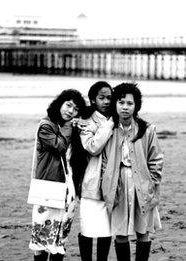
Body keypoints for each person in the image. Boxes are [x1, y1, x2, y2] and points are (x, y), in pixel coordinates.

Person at [101, 83, 163, 261]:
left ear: (136, 106)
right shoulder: (109, 129)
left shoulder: (147, 129)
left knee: (143, 230)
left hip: (142, 183)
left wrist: (152, 182)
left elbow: (156, 159)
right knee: (120, 231)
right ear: (115, 104)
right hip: (118, 182)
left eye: (129, 103)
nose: (125, 107)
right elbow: (103, 158)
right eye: (121, 102)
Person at [29, 89, 87, 261]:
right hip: (49, 185)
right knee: (41, 236)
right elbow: (59, 146)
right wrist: (71, 126)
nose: (71, 111)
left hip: (68, 187)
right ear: (59, 103)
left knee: (60, 237)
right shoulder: (46, 125)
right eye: (68, 105)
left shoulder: (69, 127)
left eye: (76, 109)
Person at [71, 81, 114, 261]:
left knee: (107, 230)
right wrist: (109, 124)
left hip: (112, 182)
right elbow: (93, 147)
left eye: (109, 98)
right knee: (87, 229)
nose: (106, 101)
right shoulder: (86, 121)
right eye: (101, 98)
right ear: (93, 100)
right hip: (91, 182)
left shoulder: (116, 118)